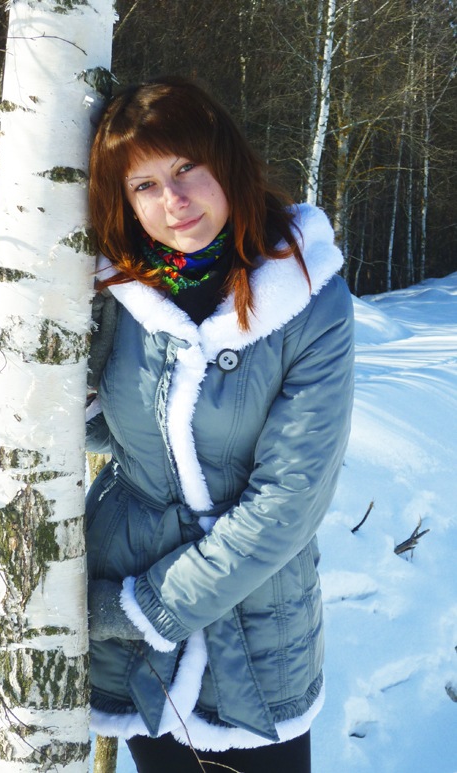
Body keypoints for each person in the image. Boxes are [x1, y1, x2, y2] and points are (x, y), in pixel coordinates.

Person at [85, 75, 354, 773]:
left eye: (186, 168)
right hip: (130, 619)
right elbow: (113, 434)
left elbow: (291, 498)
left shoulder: (307, 295)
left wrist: (148, 607)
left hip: (254, 625)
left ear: (225, 160)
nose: (173, 200)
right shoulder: (118, 293)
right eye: (144, 185)